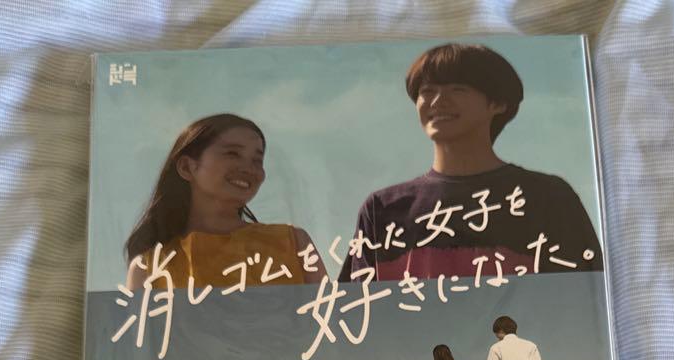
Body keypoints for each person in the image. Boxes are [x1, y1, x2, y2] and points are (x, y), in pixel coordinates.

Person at [339, 43, 602, 282]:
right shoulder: (382, 209)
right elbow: (357, 310)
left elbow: (584, 300)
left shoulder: (548, 198)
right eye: (427, 91)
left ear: (497, 103)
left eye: (457, 89)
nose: (438, 101)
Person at [125, 114, 324, 289]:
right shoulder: (149, 267)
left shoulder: (293, 242)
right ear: (187, 167)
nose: (249, 168)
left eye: (257, 160)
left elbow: (328, 316)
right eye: (232, 153)